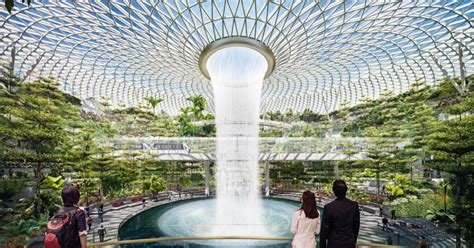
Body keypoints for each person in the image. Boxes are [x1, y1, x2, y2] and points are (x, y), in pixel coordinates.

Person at [320, 180, 360, 248]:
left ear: (334, 191)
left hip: (334, 244)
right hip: (349, 243)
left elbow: (324, 230)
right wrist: (353, 241)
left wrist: (322, 246)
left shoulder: (329, 207)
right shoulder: (354, 206)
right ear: (346, 190)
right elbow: (356, 226)